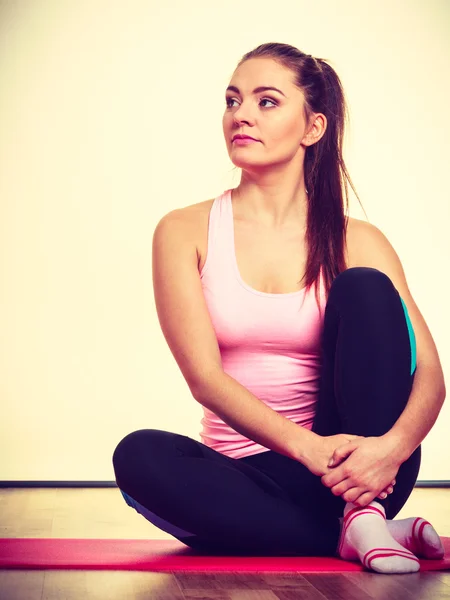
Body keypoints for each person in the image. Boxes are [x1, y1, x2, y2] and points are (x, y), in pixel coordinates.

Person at [112, 42, 446, 573]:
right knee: (138, 456)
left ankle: (363, 511)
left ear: (313, 128)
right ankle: (364, 526)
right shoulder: (183, 230)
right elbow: (203, 378)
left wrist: (391, 450)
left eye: (266, 102)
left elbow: (429, 375)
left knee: (365, 287)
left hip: (360, 468)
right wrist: (308, 450)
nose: (240, 115)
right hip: (246, 477)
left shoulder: (360, 240)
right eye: (232, 100)